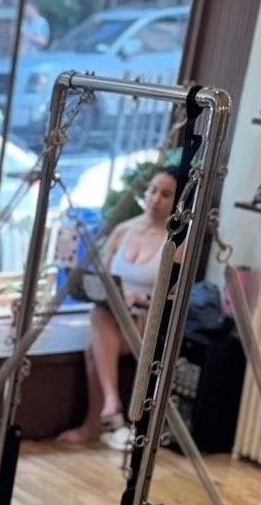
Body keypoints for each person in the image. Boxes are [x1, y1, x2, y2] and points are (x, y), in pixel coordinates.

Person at [61, 168, 179, 448]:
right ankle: (111, 404)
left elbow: (176, 300)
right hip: (112, 316)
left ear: (177, 202)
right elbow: (101, 279)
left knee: (96, 338)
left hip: (146, 322)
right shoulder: (123, 231)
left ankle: (98, 419)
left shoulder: (176, 243)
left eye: (165, 195)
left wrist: (141, 298)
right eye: (152, 190)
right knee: (100, 316)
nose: (155, 199)